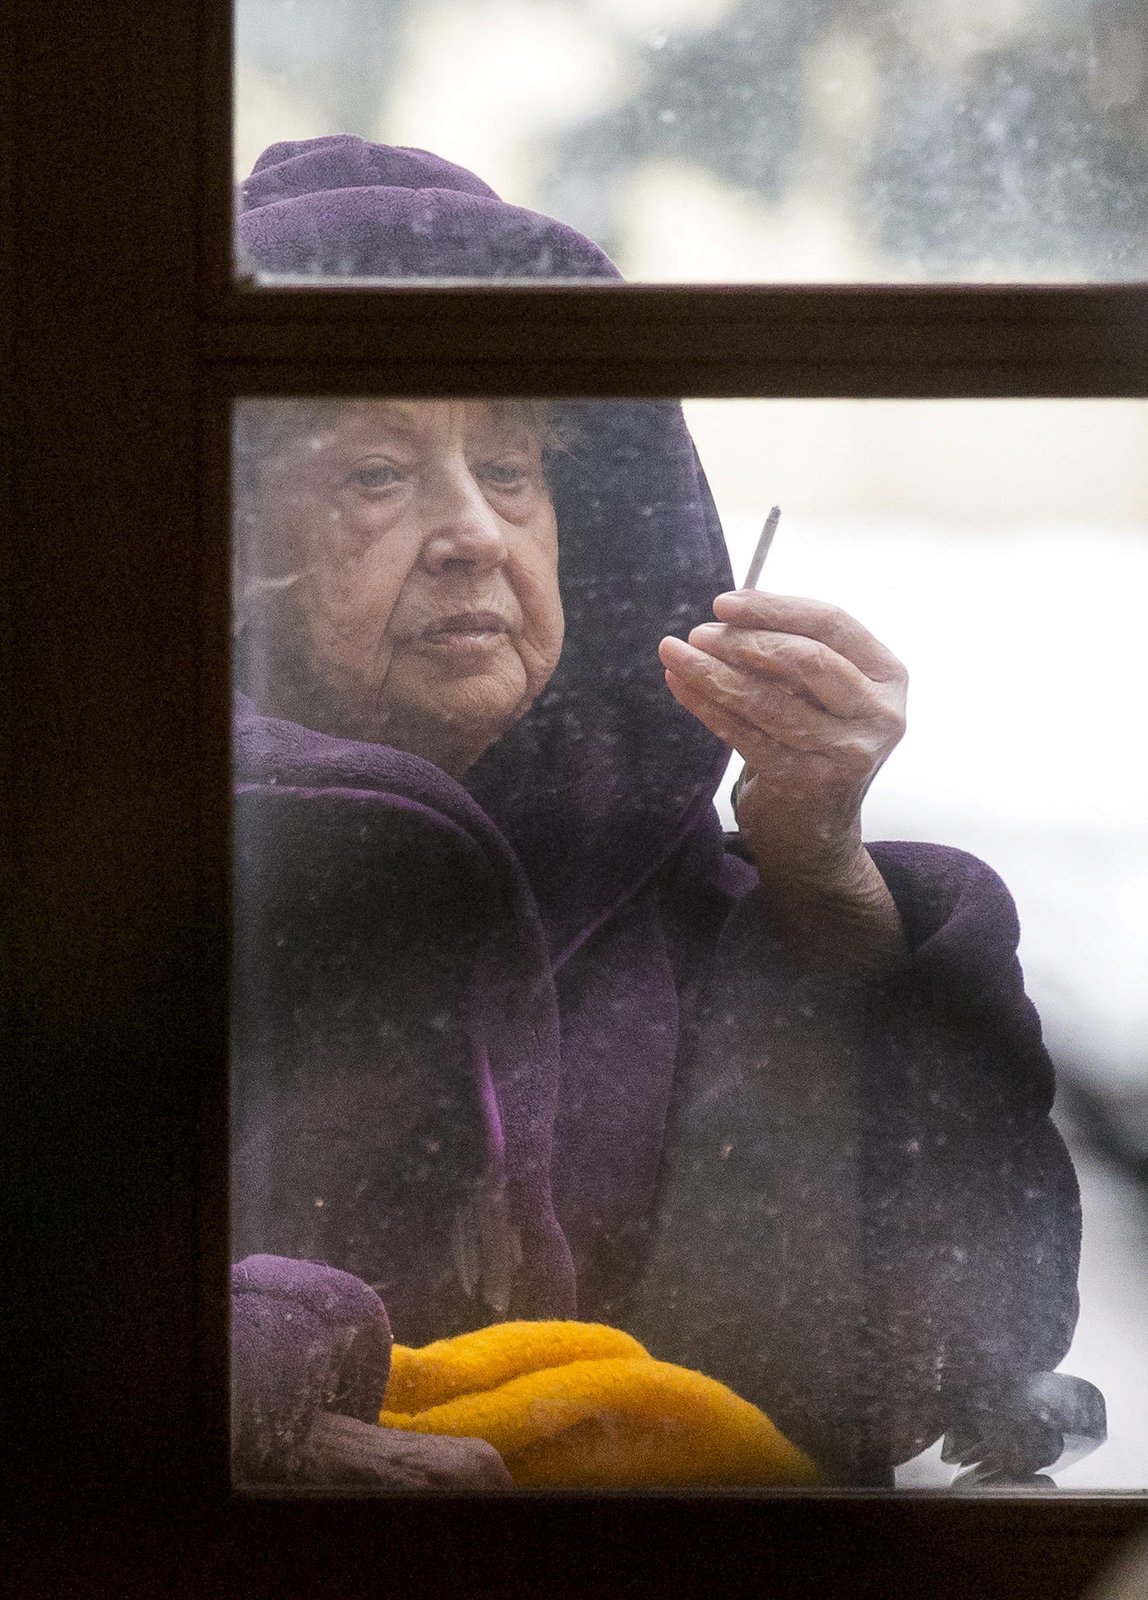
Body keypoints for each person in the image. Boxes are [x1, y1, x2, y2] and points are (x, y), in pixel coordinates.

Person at [229, 137, 1081, 1488]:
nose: (473, 533)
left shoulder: (691, 903)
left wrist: (826, 883)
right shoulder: (112, 868)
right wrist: (254, 1424)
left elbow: (947, 1355)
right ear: (225, 549)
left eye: (511, 473)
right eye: (374, 476)